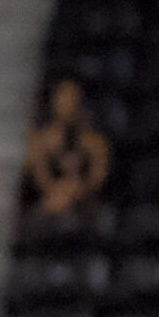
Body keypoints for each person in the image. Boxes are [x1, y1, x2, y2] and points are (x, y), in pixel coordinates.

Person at [21, 80, 108, 222]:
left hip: (82, 203)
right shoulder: (40, 140)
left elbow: (97, 176)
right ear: (54, 103)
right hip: (50, 201)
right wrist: (56, 190)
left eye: (73, 100)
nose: (68, 105)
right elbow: (41, 176)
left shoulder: (94, 142)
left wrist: (74, 190)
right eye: (64, 100)